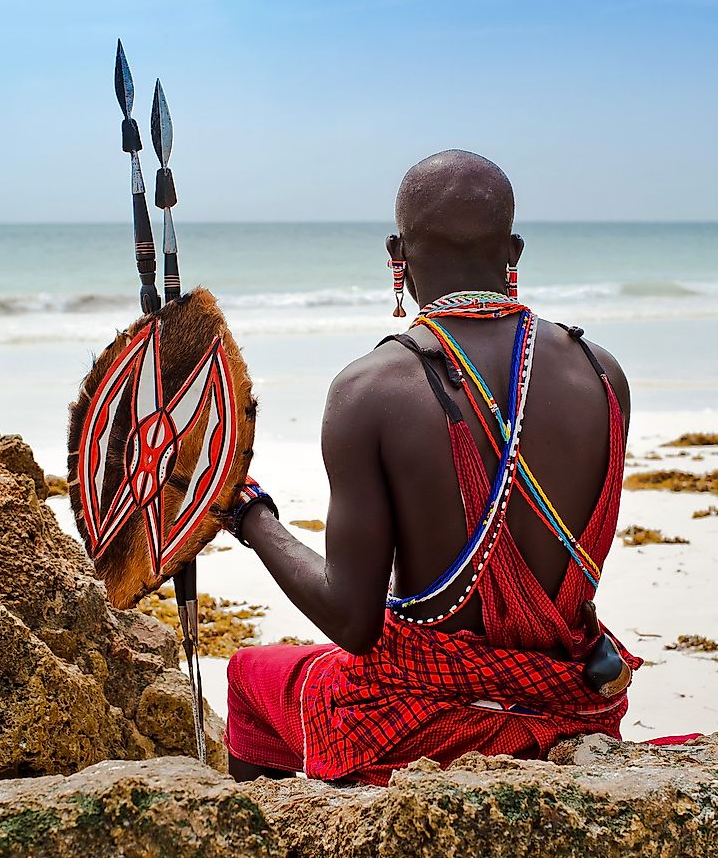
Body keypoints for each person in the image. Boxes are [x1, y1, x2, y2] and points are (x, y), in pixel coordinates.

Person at [221, 149, 639, 784]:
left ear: (396, 253)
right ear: (514, 253)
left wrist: (250, 514)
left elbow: (352, 623)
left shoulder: (369, 389)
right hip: (570, 707)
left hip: (424, 726)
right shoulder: (604, 374)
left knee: (251, 673)